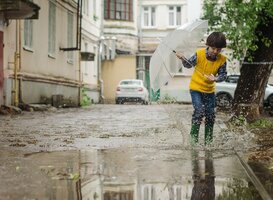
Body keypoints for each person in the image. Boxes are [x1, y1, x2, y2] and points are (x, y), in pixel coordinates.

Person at [176, 32, 227, 145]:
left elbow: (223, 75)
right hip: (196, 89)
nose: (215, 52)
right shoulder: (199, 54)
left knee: (210, 114)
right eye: (213, 48)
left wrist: (216, 78)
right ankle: (193, 141)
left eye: (219, 49)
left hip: (209, 90)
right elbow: (188, 65)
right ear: (207, 45)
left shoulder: (222, 60)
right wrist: (182, 58)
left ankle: (208, 142)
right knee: (199, 111)